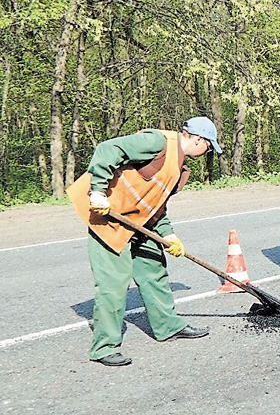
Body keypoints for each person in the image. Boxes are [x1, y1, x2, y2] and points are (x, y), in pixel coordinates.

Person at [67, 117, 223, 366]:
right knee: (113, 284)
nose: (207, 152)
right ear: (197, 139)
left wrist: (168, 234)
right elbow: (107, 149)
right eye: (208, 146)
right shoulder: (157, 142)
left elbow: (156, 204)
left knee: (154, 270)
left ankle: (168, 325)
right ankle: (104, 347)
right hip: (107, 215)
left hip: (137, 221)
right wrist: (97, 191)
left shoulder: (179, 167)